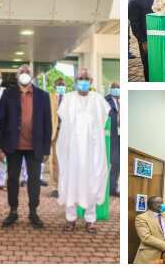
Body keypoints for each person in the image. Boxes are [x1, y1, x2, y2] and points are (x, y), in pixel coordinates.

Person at [0, 65, 51, 229]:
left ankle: (33, 211)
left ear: (32, 75)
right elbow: (1, 121)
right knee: (12, 179)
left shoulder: (42, 96)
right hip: (13, 145)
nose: (25, 74)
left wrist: (46, 148)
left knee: (34, 180)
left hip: (34, 145)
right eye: (22, 72)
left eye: (27, 72)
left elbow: (47, 123)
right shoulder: (8, 94)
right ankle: (13, 211)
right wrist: (0, 146)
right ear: (17, 76)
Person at [57, 68, 110, 233]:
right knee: (71, 180)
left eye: (86, 78)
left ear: (91, 82)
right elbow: (63, 122)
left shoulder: (98, 99)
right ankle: (70, 219)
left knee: (91, 181)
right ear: (75, 81)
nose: (84, 81)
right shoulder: (68, 99)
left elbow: (103, 120)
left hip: (92, 150)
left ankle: (90, 220)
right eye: (81, 78)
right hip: (72, 150)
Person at [128, 0, 155, 81]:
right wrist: (143, 41)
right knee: (149, 66)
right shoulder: (134, 1)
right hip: (146, 39)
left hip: (160, 35)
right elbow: (135, 25)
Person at [134, 196, 165, 263]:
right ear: (153, 205)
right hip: (148, 257)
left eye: (163, 202)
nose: (163, 205)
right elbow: (146, 237)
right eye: (160, 202)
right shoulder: (141, 218)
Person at [48, 77, 66, 198]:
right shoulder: (50, 98)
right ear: (55, 87)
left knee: (66, 160)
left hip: (67, 133)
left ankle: (65, 186)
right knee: (54, 160)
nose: (61, 87)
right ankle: (55, 187)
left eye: (63, 85)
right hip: (54, 132)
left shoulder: (70, 99)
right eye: (59, 85)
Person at [105, 82, 120, 197]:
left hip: (120, 137)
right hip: (111, 136)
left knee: (117, 164)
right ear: (111, 89)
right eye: (115, 88)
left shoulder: (122, 100)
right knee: (111, 162)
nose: (117, 90)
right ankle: (107, 188)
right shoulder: (105, 101)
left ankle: (113, 188)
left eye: (118, 88)